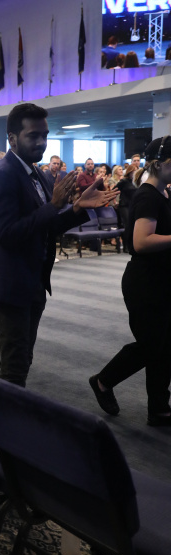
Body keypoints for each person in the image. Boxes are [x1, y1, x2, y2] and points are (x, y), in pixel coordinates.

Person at [0, 103, 118, 387]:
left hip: (33, 280)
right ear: (12, 138)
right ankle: (3, 415)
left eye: (44, 135)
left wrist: (77, 208)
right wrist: (53, 205)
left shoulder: (35, 174)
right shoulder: (3, 175)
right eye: (33, 135)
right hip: (11, 285)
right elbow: (7, 235)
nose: (41, 142)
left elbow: (47, 225)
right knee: (14, 367)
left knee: (23, 360)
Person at [90, 136, 171, 426]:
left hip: (160, 279)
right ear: (160, 164)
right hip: (145, 282)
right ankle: (103, 381)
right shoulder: (148, 196)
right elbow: (141, 241)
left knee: (164, 347)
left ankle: (159, 408)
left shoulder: (162, 193)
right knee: (151, 345)